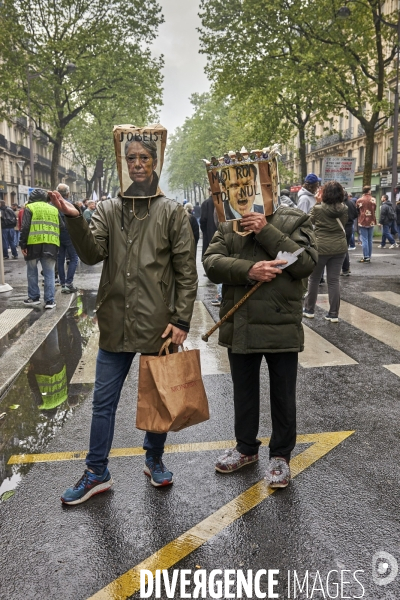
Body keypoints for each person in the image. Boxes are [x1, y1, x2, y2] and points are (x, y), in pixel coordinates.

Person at [51, 138, 197, 505]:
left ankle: (154, 459)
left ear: (155, 162)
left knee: (160, 398)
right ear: (123, 162)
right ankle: (96, 471)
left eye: (144, 157)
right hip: (116, 323)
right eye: (130, 158)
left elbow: (186, 272)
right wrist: (74, 218)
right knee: (103, 403)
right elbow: (91, 253)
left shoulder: (172, 212)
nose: (137, 164)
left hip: (159, 325)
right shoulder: (107, 209)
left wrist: (181, 319)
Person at [203, 203, 317, 487]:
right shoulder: (229, 223)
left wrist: (266, 231)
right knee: (243, 392)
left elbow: (305, 264)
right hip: (240, 324)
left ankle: (281, 455)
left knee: (282, 394)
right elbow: (211, 263)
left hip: (281, 323)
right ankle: (245, 448)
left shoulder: (295, 218)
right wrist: (248, 270)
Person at [303, 181, 348, 322]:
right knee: (334, 280)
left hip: (321, 247)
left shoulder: (318, 208)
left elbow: (308, 222)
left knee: (314, 279)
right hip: (340, 247)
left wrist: (316, 203)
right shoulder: (344, 208)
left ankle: (309, 310)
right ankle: (333, 314)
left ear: (325, 193)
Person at [19, 188, 61, 308]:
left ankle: (33, 297)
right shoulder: (54, 209)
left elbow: (25, 227)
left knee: (32, 272)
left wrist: (23, 244)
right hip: (51, 244)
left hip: (33, 245)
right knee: (49, 273)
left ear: (31, 198)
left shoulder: (30, 208)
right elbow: (62, 227)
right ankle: (50, 301)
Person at [56, 184, 79, 294]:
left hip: (57, 235)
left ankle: (63, 284)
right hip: (69, 234)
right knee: (74, 258)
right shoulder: (69, 204)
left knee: (60, 259)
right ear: (68, 193)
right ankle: (69, 284)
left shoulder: (53, 205)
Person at [356, 185, 377, 263]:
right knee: (370, 239)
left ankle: (366, 256)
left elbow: (357, 209)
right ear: (369, 191)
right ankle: (369, 256)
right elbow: (374, 209)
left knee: (364, 239)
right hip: (371, 220)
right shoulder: (373, 199)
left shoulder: (359, 200)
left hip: (363, 220)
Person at [341, 191, 359, 276]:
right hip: (349, 226)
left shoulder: (340, 204)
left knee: (341, 249)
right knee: (345, 248)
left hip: (342, 227)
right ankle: (346, 268)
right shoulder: (351, 203)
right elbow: (356, 214)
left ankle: (345, 268)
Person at [200, 188, 218, 257]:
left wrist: (204, 230)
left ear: (209, 192)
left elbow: (203, 220)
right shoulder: (221, 202)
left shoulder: (206, 203)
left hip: (209, 232)